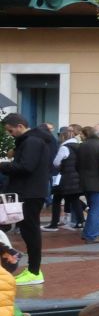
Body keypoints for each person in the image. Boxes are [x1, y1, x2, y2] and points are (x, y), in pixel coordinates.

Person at [2, 112, 57, 284]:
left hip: (29, 192)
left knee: (30, 230)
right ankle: (32, 269)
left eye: (11, 131)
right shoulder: (32, 141)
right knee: (27, 229)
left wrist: (3, 165)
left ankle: (34, 271)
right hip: (29, 191)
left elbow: (26, 167)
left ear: (20, 126)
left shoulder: (32, 141)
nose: (10, 134)